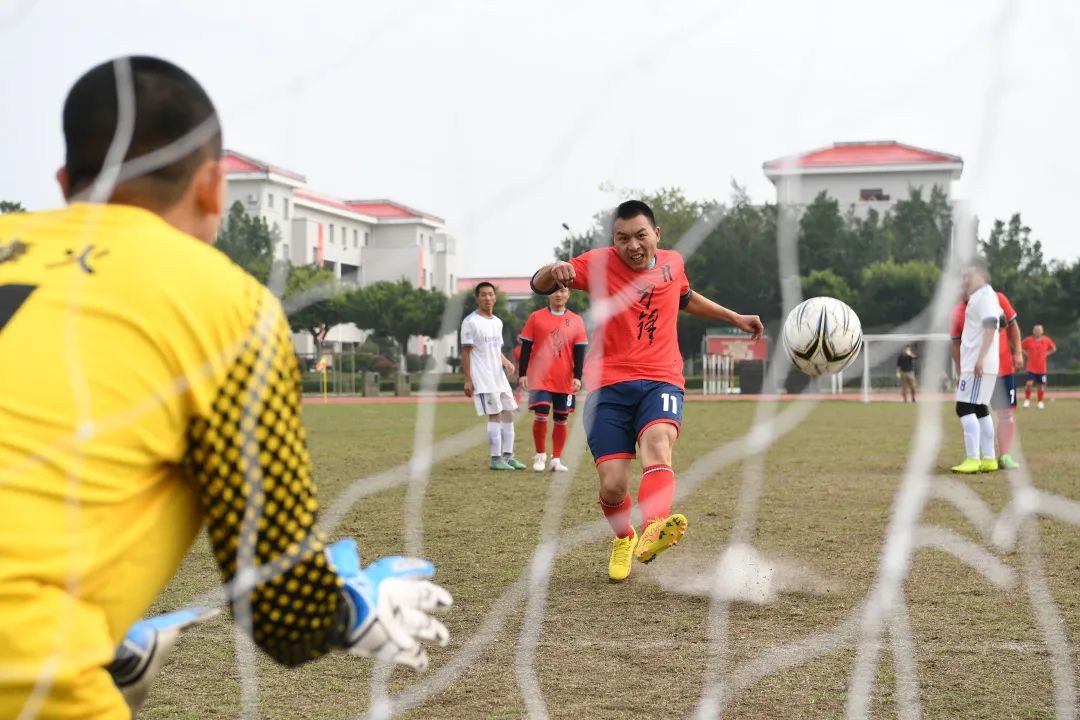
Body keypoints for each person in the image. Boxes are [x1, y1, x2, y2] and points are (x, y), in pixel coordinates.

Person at [0, 57, 451, 719]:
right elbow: (281, 614)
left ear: (66, 184)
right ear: (214, 189)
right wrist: (347, 603)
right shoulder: (227, 304)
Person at [530, 200, 764, 582]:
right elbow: (540, 285)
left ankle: (655, 528)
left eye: (641, 236)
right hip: (607, 387)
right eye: (623, 238)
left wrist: (733, 317)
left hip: (661, 379)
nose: (633, 246)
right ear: (614, 241)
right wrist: (552, 270)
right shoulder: (599, 263)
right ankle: (625, 537)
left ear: (656, 234)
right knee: (613, 485)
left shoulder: (673, 263)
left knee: (658, 446)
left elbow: (685, 297)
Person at [950, 289, 1024, 469]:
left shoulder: (998, 299)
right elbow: (956, 344)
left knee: (1000, 412)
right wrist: (960, 373)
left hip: (1001, 366)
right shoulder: (957, 312)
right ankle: (986, 458)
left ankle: (1000, 456)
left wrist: (1018, 352)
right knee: (978, 409)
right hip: (976, 370)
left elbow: (1012, 325)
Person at [518, 287, 588, 472]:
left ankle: (556, 459)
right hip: (540, 377)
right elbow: (526, 347)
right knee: (541, 413)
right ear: (548, 294)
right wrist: (522, 373)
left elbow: (580, 350)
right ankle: (540, 455)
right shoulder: (536, 317)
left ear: (568, 294)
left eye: (563, 291)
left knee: (561, 417)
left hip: (564, 378)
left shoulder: (576, 320)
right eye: (554, 291)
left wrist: (578, 376)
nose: (558, 295)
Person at [461, 282, 526, 470]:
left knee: (508, 414)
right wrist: (468, 379)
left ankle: (508, 456)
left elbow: (495, 349)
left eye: (490, 294)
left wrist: (506, 362)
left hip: (499, 378)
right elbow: (466, 352)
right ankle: (495, 459)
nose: (487, 298)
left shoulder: (497, 322)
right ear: (477, 298)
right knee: (495, 415)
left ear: (495, 297)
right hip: (483, 377)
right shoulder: (470, 322)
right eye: (483, 295)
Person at [950, 260, 1002, 474]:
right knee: (980, 408)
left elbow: (992, 325)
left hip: (977, 363)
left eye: (968, 276)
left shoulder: (984, 296)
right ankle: (989, 459)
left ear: (980, 275)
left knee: (963, 407)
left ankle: (973, 459)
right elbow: (1003, 320)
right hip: (981, 362)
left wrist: (980, 358)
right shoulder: (986, 297)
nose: (964, 281)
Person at [1021, 324, 1056, 409]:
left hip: (1042, 368)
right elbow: (1020, 347)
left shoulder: (1046, 340)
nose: (1037, 331)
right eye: (1035, 330)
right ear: (1033, 331)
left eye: (1039, 330)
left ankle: (1040, 402)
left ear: (1042, 331)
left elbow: (1053, 348)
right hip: (1031, 367)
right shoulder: (1028, 340)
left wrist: (1046, 354)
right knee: (1029, 384)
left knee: (1041, 386)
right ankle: (1027, 400)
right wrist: (1026, 354)